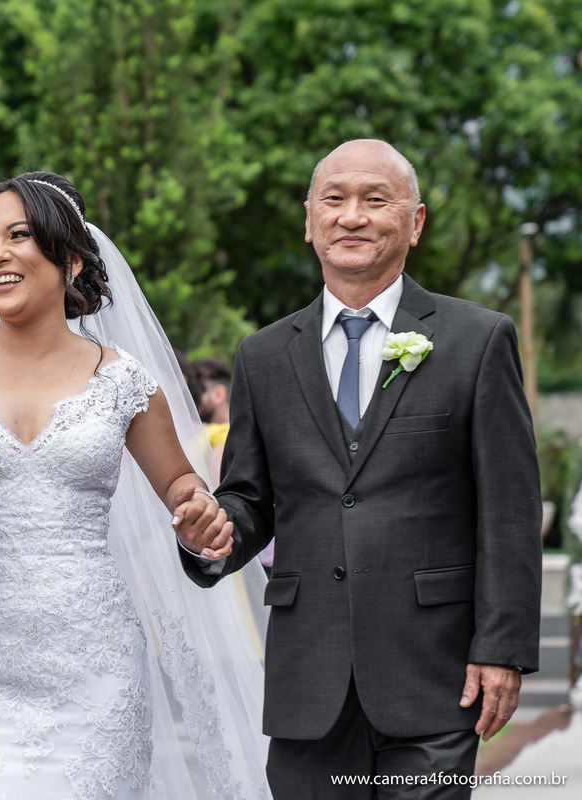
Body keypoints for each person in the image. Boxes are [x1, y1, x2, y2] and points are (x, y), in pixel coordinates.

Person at [177, 139, 542, 798]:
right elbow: (251, 501)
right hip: (307, 676)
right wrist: (210, 532)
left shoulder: (477, 340)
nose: (353, 216)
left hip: (433, 671)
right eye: (335, 200)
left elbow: (509, 511)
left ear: (416, 222)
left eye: (376, 200)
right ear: (309, 219)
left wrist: (503, 647)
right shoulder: (262, 355)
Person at [0, 171, 269, 798]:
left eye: (19, 236)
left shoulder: (123, 380)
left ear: (70, 258)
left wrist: (197, 513)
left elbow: (181, 484)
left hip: (91, 662)